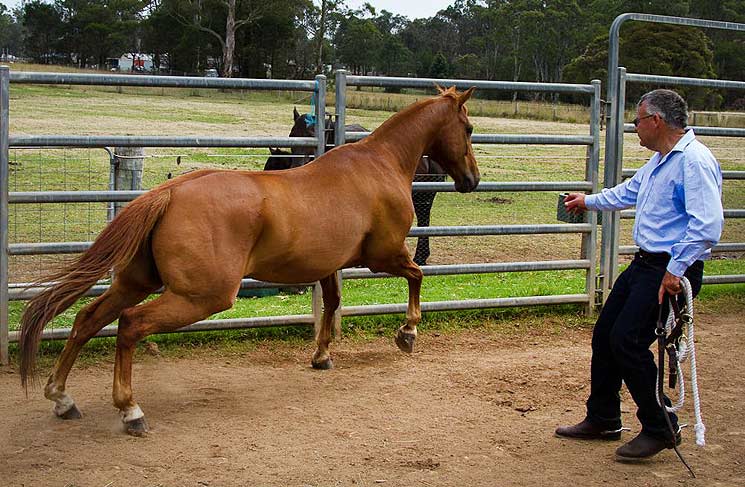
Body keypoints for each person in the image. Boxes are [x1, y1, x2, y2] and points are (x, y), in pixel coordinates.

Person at [556, 89, 723, 460]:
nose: (635, 128)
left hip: (669, 268)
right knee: (606, 335)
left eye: (637, 121)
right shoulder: (662, 161)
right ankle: (603, 417)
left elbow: (707, 226)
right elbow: (628, 192)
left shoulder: (693, 161)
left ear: (657, 121)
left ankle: (660, 426)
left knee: (628, 341)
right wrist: (588, 201)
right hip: (646, 264)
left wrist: (675, 271)